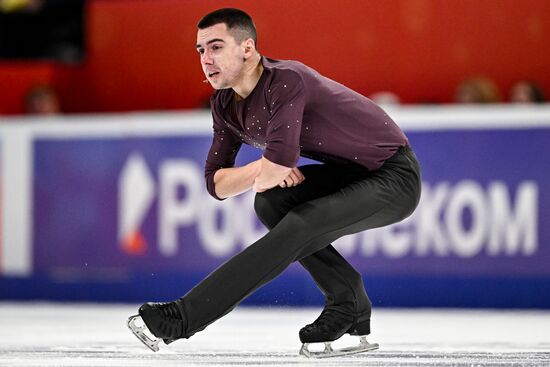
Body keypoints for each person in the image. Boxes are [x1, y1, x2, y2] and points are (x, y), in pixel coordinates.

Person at [129, 8, 421, 357]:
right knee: (270, 202)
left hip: (393, 176)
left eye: (216, 47)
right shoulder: (223, 103)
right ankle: (349, 301)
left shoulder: (285, 80)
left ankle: (183, 317)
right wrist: (262, 169)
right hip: (350, 173)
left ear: (247, 49)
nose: (206, 59)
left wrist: (272, 168)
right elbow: (215, 183)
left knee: (301, 222)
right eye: (200, 50)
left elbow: (277, 165)